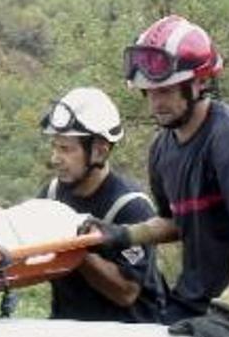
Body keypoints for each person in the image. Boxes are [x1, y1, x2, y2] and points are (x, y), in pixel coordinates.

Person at [83, 15, 229, 337]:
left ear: (198, 84)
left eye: (165, 91)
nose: (155, 103)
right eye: (149, 92)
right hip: (196, 302)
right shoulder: (163, 149)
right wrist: (124, 235)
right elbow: (177, 221)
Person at [39, 87, 165, 323]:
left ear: (98, 151)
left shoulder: (131, 206)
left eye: (66, 149)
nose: (55, 158)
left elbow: (127, 292)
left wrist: (74, 248)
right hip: (69, 327)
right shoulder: (52, 194)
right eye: (54, 146)